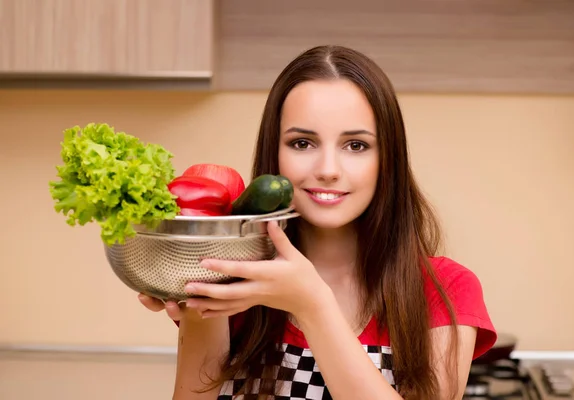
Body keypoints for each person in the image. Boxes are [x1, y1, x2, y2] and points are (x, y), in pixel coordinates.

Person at [139, 45, 497, 400]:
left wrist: (312, 304)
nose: (327, 170)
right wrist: (199, 291)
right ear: (274, 153)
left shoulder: (447, 290)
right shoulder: (234, 284)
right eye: (303, 143)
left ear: (388, 158)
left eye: (356, 145)